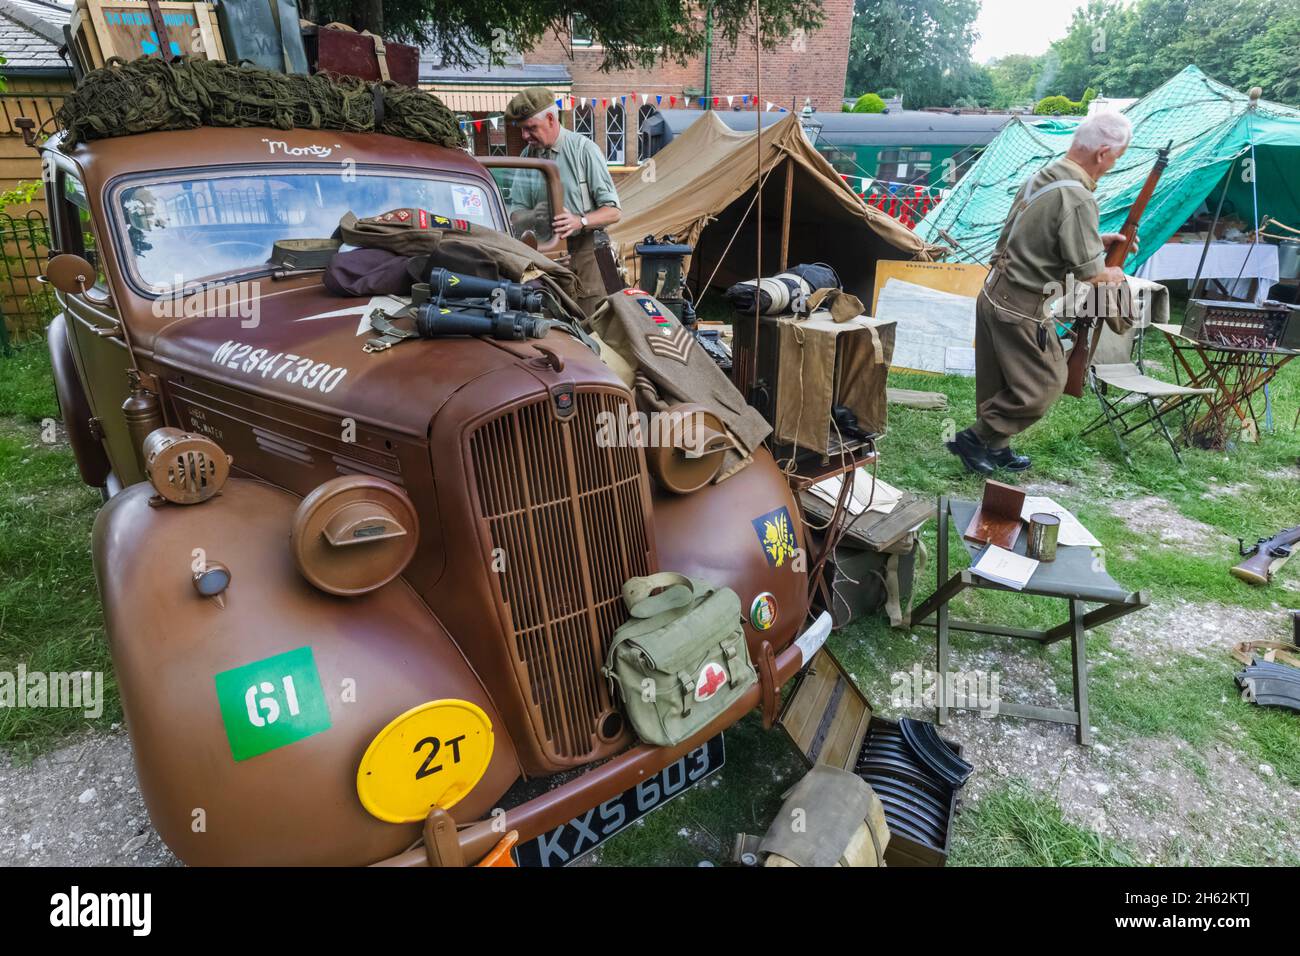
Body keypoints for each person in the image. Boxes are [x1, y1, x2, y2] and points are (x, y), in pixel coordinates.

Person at [947, 111, 1138, 475]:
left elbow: (1035, 237)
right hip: (1022, 305)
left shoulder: (1044, 178)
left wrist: (1097, 242)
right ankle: (975, 438)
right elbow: (1091, 275)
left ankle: (997, 447)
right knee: (1047, 382)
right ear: (1102, 154)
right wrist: (1110, 270)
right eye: (1117, 156)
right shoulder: (1078, 197)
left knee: (1000, 379)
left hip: (994, 292)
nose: (1114, 165)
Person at [504, 88, 622, 316]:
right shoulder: (527, 159)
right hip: (545, 256)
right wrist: (532, 215)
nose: (525, 136)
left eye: (530, 128)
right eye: (522, 130)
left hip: (588, 253)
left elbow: (614, 211)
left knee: (594, 325)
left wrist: (580, 220)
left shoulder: (584, 150)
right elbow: (515, 216)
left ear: (550, 119)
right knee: (550, 325)